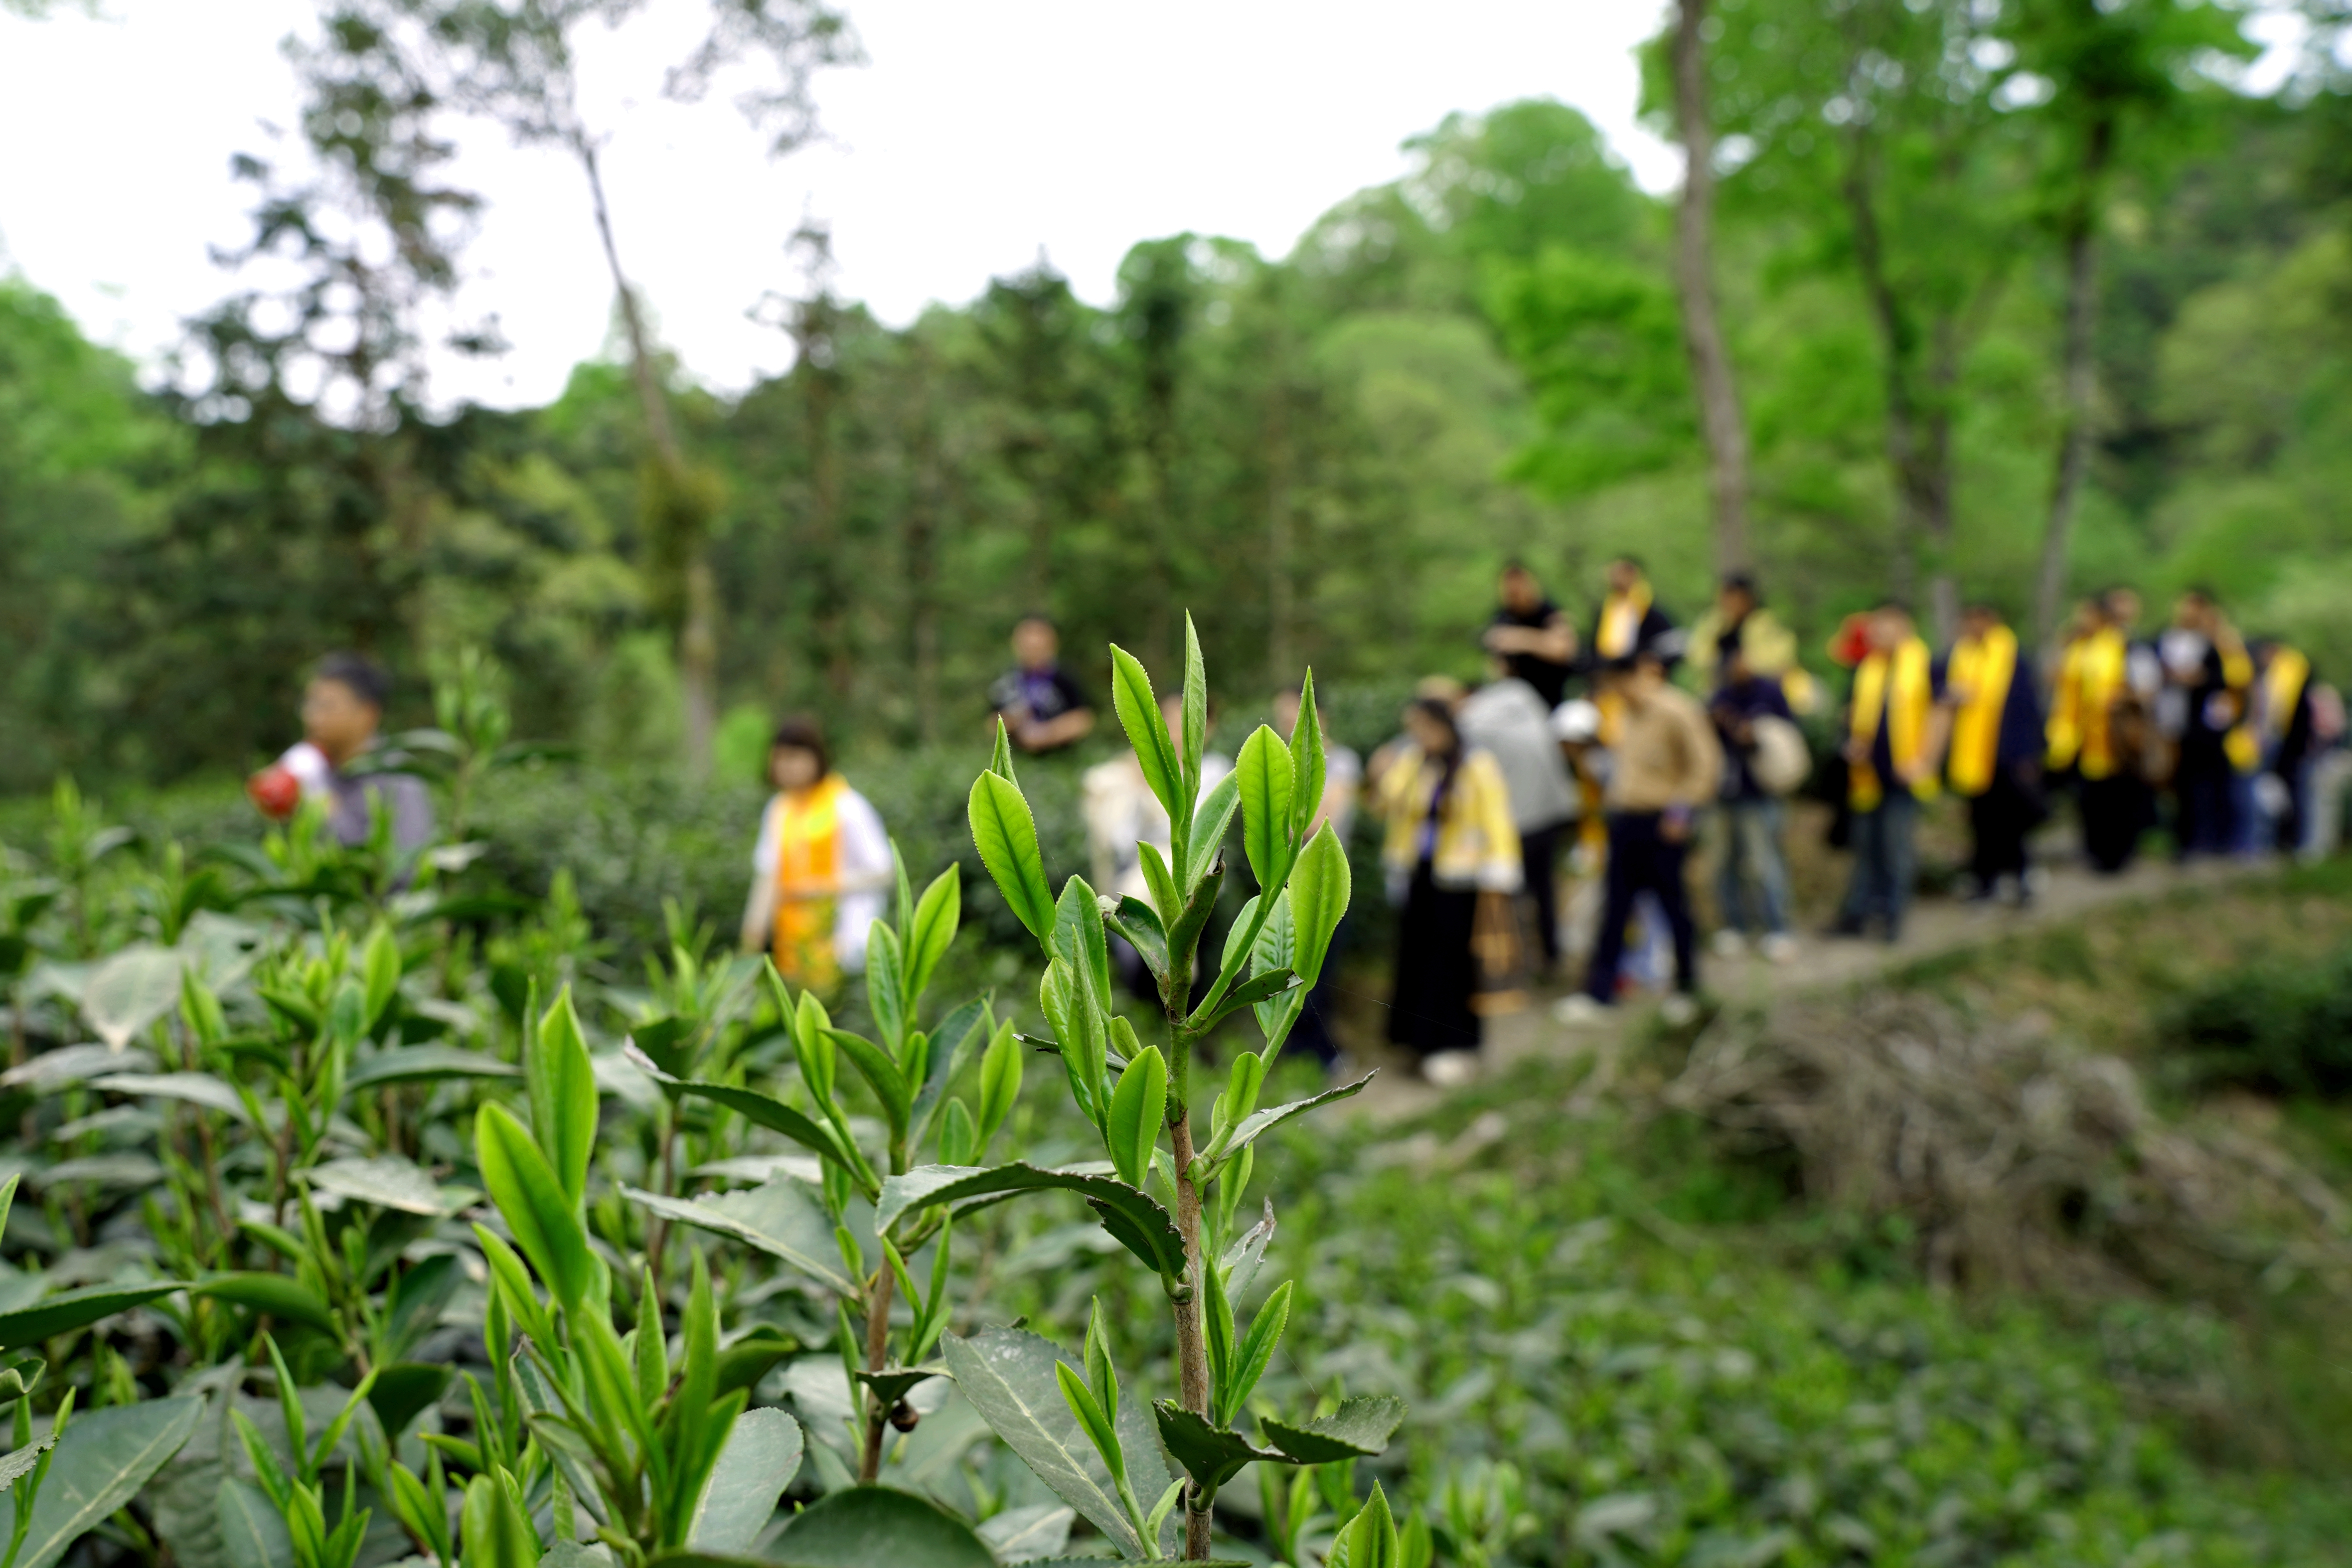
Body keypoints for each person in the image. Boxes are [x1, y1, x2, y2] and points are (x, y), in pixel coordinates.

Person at [1558, 646, 1722, 1024]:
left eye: (1618, 682)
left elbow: (1705, 765)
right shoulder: (1623, 714)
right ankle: (1600, 991)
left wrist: (1680, 811)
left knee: (1672, 906)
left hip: (1662, 822)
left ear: (1639, 675)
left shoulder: (1675, 710)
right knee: (1615, 906)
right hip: (1625, 820)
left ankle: (1686, 988)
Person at [1372, 697, 1521, 1084]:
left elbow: (1496, 818)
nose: (1419, 735)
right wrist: (1395, 764)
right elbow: (1387, 799)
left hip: (1461, 878)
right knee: (1415, 958)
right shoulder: (1414, 761)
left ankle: (1454, 1044)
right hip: (1418, 872)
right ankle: (1417, 1041)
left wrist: (1500, 868)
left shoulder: (1476, 764)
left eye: (1424, 727)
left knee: (1451, 963)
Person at [1083, 688, 1234, 996]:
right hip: (1143, 872)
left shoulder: (1217, 769)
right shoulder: (1138, 772)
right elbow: (1122, 839)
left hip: (1193, 872)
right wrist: (1138, 786)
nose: (1177, 731)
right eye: (1169, 721)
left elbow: (1196, 829)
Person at [739, 717, 893, 991]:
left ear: (817, 758)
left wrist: (823, 887)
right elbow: (767, 875)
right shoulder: (779, 809)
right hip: (794, 947)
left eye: (796, 757)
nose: (787, 766)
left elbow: (884, 872)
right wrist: (752, 937)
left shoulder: (847, 805)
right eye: (781, 759)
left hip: (844, 943)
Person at [246, 652, 434, 859]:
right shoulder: (313, 766)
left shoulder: (399, 777)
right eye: (309, 704)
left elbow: (406, 868)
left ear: (367, 714)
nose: (311, 716)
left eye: (326, 706)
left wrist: (328, 809)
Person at [1456, 660, 1578, 977]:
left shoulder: (1473, 720)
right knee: (1544, 891)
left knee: (1505, 893)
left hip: (1515, 822)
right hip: (1552, 813)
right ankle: (1550, 957)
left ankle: (1509, 966)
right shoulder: (1526, 703)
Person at [1832, 601, 1944, 942]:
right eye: (1876, 628)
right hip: (1866, 777)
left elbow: (1939, 714)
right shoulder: (1867, 668)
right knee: (1866, 848)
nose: (1880, 634)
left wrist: (1923, 761)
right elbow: (1849, 712)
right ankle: (1857, 914)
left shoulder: (1925, 665)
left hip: (1902, 778)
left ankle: (1892, 919)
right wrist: (1850, 742)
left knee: (1896, 850)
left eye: (1887, 626)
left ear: (1905, 626)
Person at [1273, 686, 1363, 1070]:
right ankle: (1293, 1053)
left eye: (1292, 716)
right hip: (1287, 881)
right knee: (1287, 967)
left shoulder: (1340, 762)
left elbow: (1313, 824)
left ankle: (1323, 1053)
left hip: (1325, 883)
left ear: (1318, 716)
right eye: (1279, 717)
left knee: (1320, 972)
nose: (1284, 726)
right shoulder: (1279, 763)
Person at [1939, 603, 2045, 905]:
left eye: (1976, 621)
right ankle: (1984, 881)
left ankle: (2021, 879)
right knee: (1980, 823)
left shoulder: (2012, 657)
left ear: (1991, 621)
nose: (1971, 627)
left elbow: (2027, 709)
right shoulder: (1959, 657)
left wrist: (2028, 755)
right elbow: (1933, 683)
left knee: (2012, 822)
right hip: (1973, 756)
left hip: (2007, 756)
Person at [2046, 588, 2155, 873]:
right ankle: (2094, 854)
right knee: (2089, 801)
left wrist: (2119, 698)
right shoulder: (2077, 649)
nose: (2082, 620)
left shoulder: (2128, 647)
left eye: (2088, 615)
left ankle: (2119, 856)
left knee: (2119, 801)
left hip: (2117, 739)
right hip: (2082, 739)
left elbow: (2147, 690)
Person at [1708, 643, 1799, 962]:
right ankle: (1736, 926)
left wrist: (1755, 734)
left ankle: (1779, 928)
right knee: (1724, 864)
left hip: (1759, 794)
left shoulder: (1770, 693)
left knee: (1765, 864)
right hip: (1724, 794)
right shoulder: (1719, 697)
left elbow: (1789, 736)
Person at [2164, 588, 2253, 859]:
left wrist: (2197, 679)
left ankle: (2219, 842)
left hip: (2218, 728)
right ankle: (2192, 842)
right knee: (2189, 788)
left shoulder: (2226, 646)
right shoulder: (2178, 642)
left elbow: (2237, 682)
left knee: (2220, 786)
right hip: (2187, 725)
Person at [1686, 573, 1817, 716]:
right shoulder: (1714, 623)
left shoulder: (1765, 623)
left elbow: (1783, 660)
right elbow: (1696, 657)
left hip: (1760, 694)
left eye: (1736, 597)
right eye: (1727, 597)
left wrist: (1748, 667)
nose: (1730, 603)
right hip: (1718, 691)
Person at [988, 615, 1097, 755]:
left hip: (1063, 759)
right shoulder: (1006, 681)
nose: (1033, 643)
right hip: (1017, 759)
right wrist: (1012, 720)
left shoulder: (1066, 677)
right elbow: (990, 724)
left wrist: (1047, 734)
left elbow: (1084, 719)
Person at [2248, 638, 2318, 855]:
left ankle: (2294, 843)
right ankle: (2285, 842)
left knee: (2294, 795)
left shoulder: (2289, 672)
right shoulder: (2288, 673)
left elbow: (2280, 715)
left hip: (2290, 747)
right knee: (2279, 795)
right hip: (2288, 745)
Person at [1482, 562, 1578, 707]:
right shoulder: (1503, 618)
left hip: (1559, 695)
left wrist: (1521, 639)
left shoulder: (1549, 611)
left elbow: (1564, 651)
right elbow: (1498, 669)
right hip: (1522, 699)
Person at [1588, 556, 1681, 672]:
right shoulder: (1606, 610)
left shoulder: (1650, 609)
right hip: (1610, 673)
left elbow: (1669, 643)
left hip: (1642, 673)